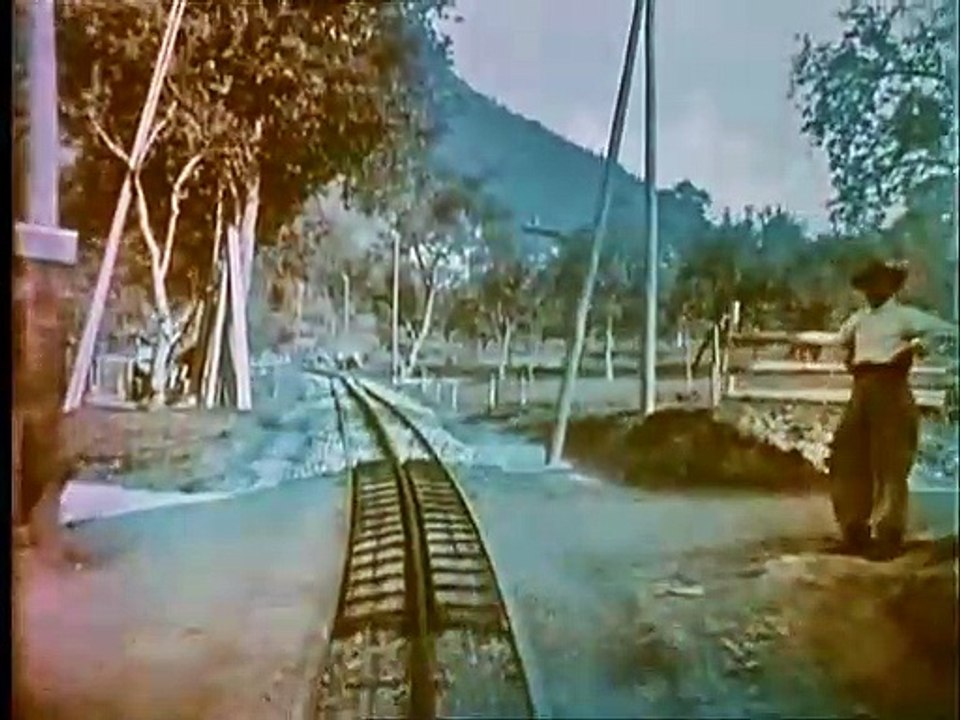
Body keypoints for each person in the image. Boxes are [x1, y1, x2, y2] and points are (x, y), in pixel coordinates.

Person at [792, 258, 957, 560]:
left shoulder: (905, 316)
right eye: (867, 284)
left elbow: (945, 329)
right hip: (862, 388)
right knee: (847, 454)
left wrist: (918, 345)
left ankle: (888, 534)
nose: (871, 289)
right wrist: (803, 337)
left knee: (890, 460)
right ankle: (854, 530)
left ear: (892, 285)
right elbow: (837, 339)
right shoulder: (860, 318)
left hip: (891, 388)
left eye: (877, 282)